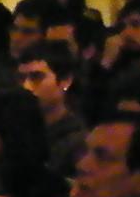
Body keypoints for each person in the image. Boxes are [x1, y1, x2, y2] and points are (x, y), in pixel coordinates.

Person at [17, 41, 91, 178]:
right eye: (21, 79)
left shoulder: (78, 143)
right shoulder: (16, 130)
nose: (26, 87)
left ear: (66, 80)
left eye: (36, 77)